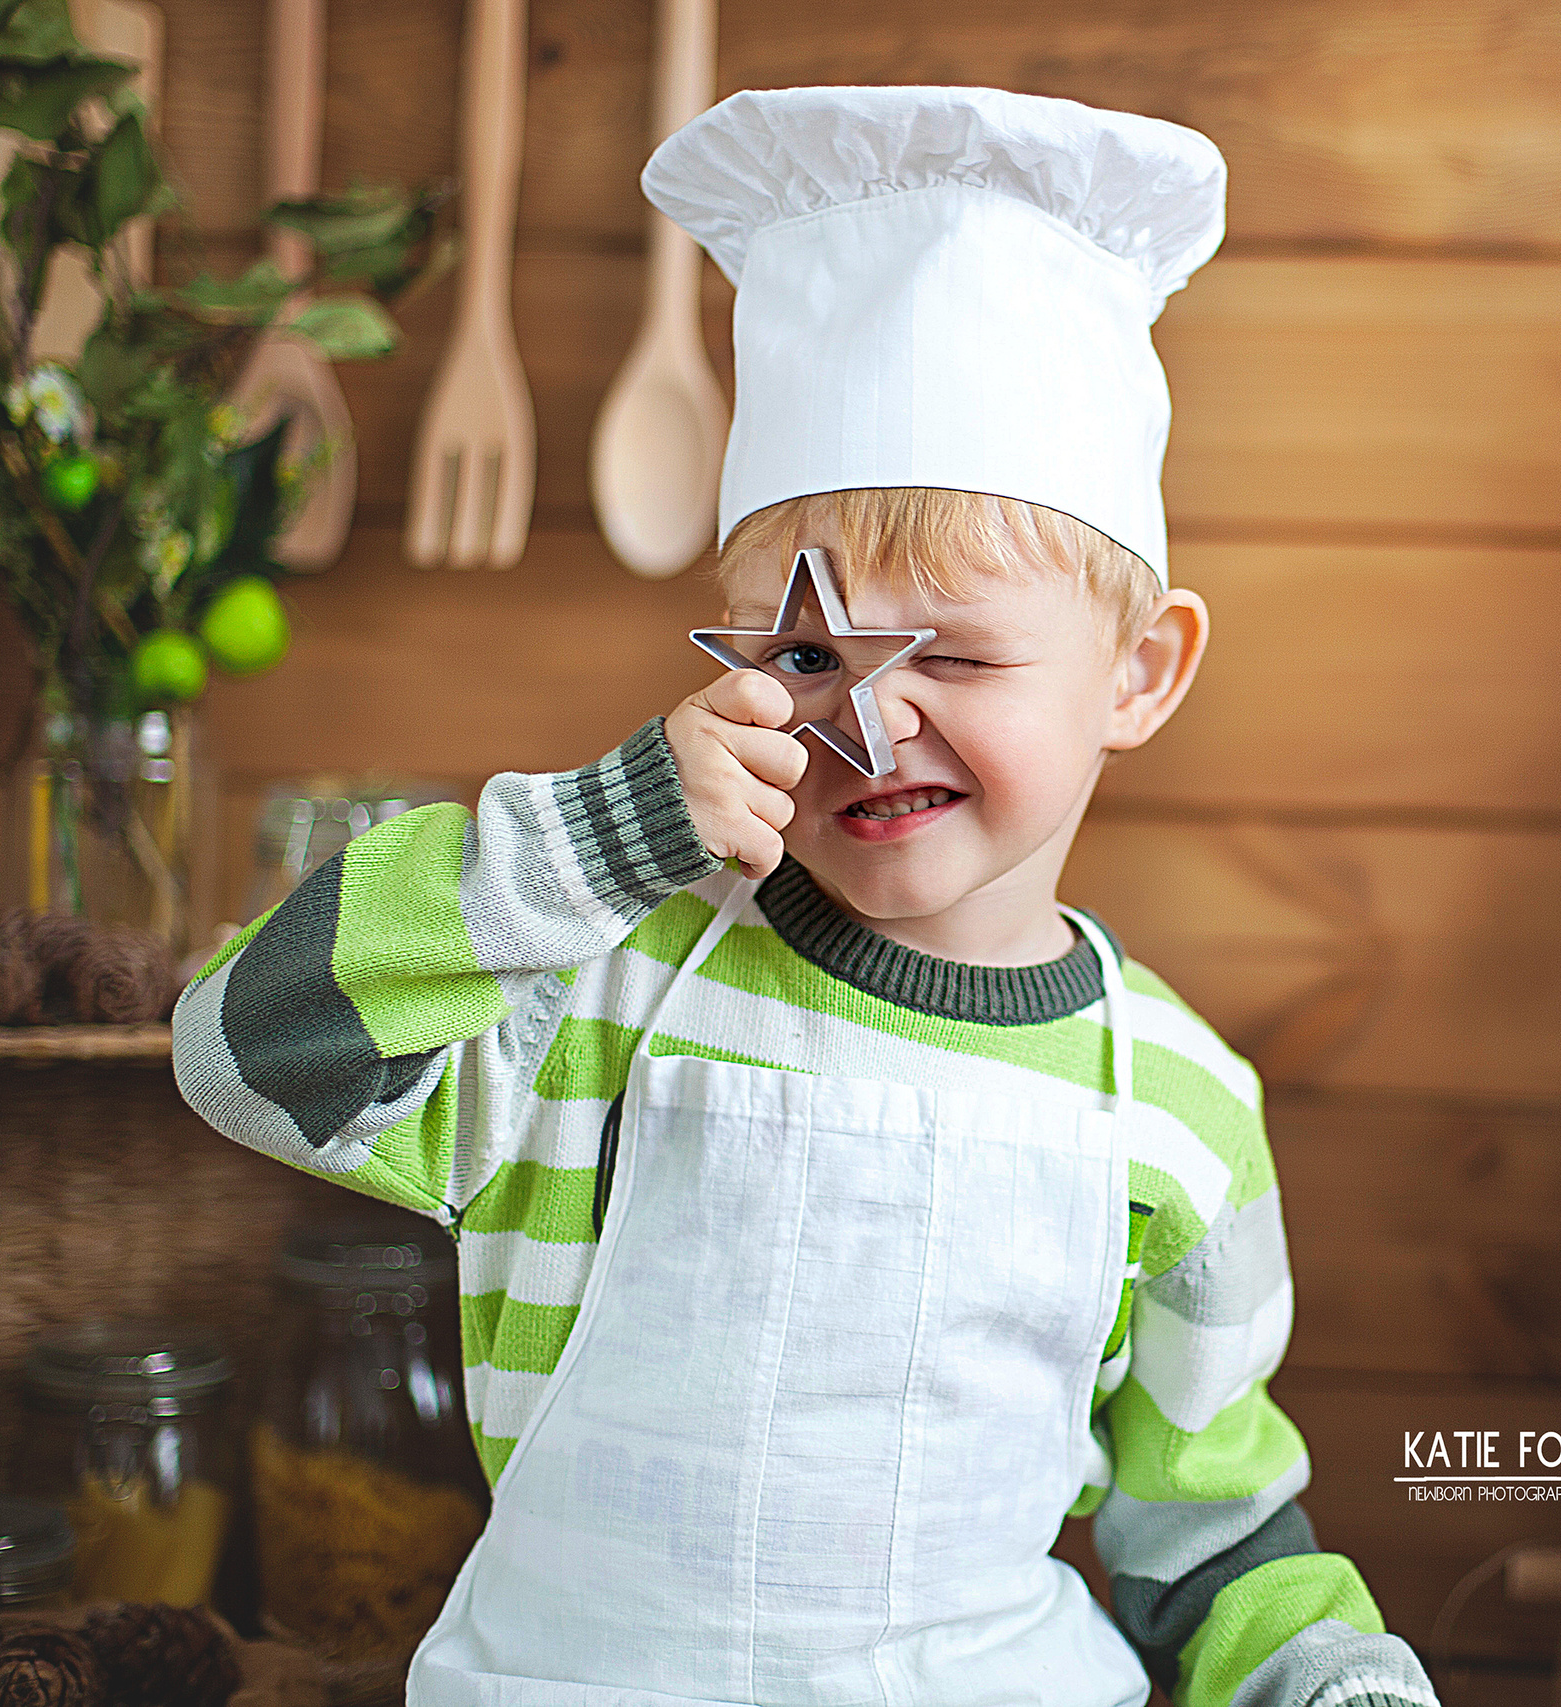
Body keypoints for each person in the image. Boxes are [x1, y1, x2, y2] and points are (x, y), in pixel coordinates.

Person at [175, 84, 1438, 1707]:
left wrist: (1335, 1681)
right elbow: (240, 1055)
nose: (870, 718)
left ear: (1139, 670)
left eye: (962, 655)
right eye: (802, 655)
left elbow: (1212, 1536)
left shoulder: (1184, 1108)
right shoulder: (596, 975)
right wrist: (597, 838)